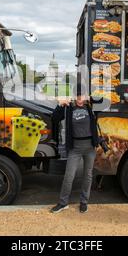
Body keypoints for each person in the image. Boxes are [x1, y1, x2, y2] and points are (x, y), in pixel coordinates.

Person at [50, 85, 101, 214]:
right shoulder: (68, 108)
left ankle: (84, 202)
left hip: (90, 147)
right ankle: (63, 203)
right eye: (77, 96)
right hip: (75, 148)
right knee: (69, 176)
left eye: (82, 95)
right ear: (73, 96)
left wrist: (91, 98)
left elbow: (103, 100)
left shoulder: (90, 106)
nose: (79, 98)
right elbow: (54, 118)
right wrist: (60, 105)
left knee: (88, 175)